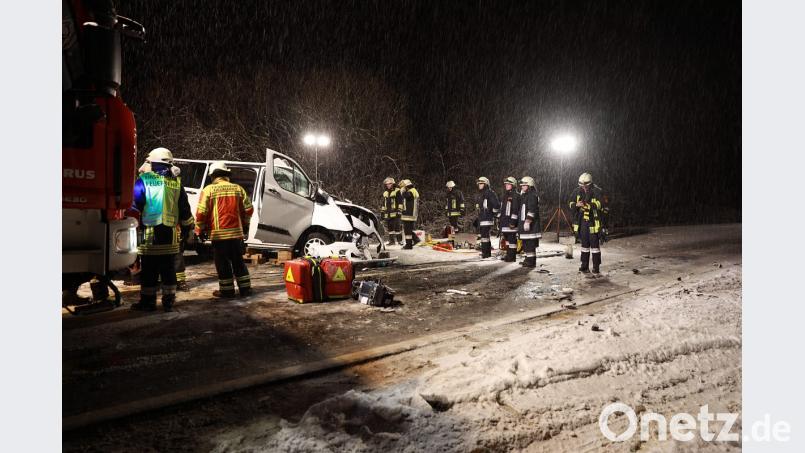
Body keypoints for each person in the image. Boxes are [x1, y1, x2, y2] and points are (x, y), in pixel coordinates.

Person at [130, 147, 194, 311]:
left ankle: (148, 302)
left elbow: (135, 206)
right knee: (168, 269)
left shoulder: (143, 180)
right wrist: (188, 229)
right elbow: (184, 209)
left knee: (149, 270)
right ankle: (168, 302)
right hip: (170, 234)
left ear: (153, 163)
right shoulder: (176, 183)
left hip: (150, 234)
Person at [195, 161, 255, 298]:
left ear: (213, 176)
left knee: (223, 264)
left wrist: (199, 229)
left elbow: (201, 213)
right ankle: (245, 289)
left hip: (219, 236)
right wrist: (244, 224)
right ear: (226, 174)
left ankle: (227, 291)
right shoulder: (238, 189)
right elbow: (249, 210)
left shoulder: (208, 190)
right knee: (238, 262)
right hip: (236, 234)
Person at [568, 172, 606, 274]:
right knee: (584, 246)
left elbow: (601, 203)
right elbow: (570, 203)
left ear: (590, 184)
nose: (584, 187)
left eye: (586, 185)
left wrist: (590, 205)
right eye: (582, 185)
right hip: (582, 222)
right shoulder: (576, 191)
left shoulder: (597, 191)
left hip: (593, 222)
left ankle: (596, 267)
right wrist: (576, 204)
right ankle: (584, 265)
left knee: (594, 247)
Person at [517, 176, 541, 268]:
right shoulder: (525, 195)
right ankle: (528, 259)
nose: (522, 187)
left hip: (531, 225)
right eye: (521, 185)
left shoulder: (532, 195)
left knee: (530, 243)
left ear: (529, 185)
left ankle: (531, 262)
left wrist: (528, 221)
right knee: (526, 243)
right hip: (525, 224)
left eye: (524, 185)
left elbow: (532, 209)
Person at [475, 176, 500, 259]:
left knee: (485, 236)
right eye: (479, 183)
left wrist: (492, 212)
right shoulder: (481, 194)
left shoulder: (489, 193)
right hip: (482, 217)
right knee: (484, 237)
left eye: (481, 183)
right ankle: (486, 253)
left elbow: (496, 205)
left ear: (485, 184)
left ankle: (486, 254)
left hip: (487, 218)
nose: (479, 185)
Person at [498, 176, 520, 262]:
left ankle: (512, 257)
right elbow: (503, 209)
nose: (506, 185)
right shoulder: (505, 195)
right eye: (506, 184)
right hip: (505, 222)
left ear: (513, 185)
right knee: (507, 240)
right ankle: (508, 255)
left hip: (511, 223)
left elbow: (515, 210)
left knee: (512, 241)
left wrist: (513, 222)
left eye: (508, 184)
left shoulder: (516, 196)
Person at [380, 177, 402, 245]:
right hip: (388, 213)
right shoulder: (385, 193)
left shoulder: (397, 191)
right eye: (387, 184)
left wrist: (399, 211)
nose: (388, 185)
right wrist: (382, 212)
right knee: (390, 228)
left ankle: (400, 241)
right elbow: (384, 203)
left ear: (393, 184)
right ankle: (392, 241)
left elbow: (400, 201)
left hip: (395, 212)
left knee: (397, 227)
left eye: (389, 184)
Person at [398, 179, 420, 250]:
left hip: (409, 214)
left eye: (403, 187)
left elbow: (406, 196)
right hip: (409, 213)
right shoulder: (412, 190)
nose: (403, 188)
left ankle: (409, 245)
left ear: (406, 186)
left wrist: (402, 191)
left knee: (407, 230)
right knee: (408, 229)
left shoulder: (411, 191)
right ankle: (415, 240)